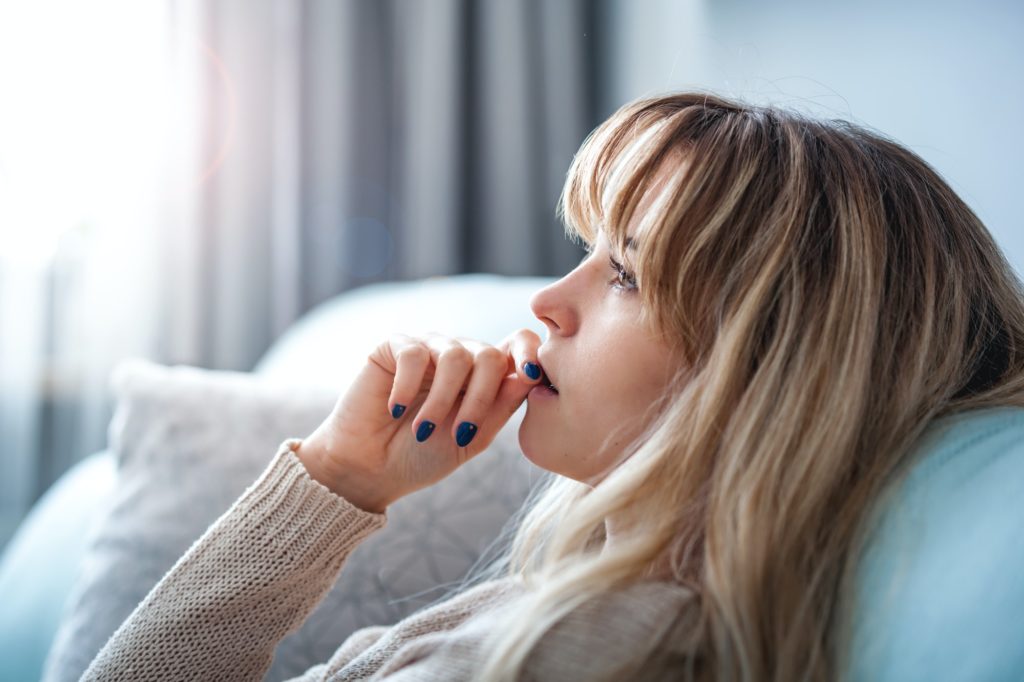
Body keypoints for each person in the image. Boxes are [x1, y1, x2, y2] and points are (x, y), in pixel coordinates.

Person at [81, 91, 1024, 681]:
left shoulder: (597, 646)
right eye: (590, 254)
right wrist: (339, 477)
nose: (547, 301)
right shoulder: (569, 603)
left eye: (626, 275)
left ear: (764, 371)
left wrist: (337, 482)